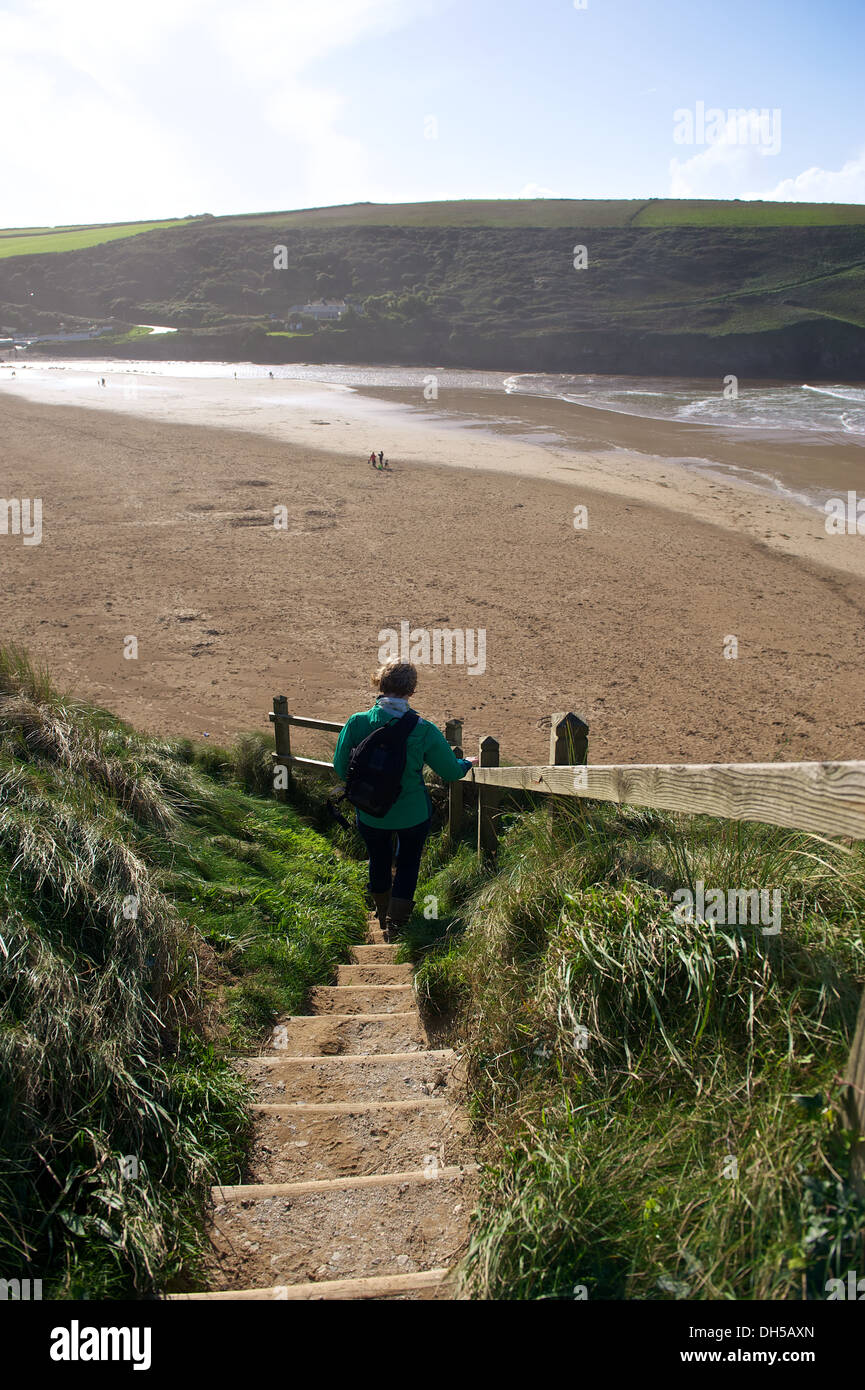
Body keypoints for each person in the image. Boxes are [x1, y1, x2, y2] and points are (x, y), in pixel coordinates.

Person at [333, 660, 476, 938]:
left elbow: (340, 769)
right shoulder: (424, 729)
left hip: (370, 811)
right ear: (411, 690)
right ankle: (397, 925)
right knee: (409, 862)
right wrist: (467, 763)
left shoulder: (357, 722)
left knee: (378, 857)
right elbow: (449, 772)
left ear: (380, 684)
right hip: (412, 813)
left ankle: (381, 911)